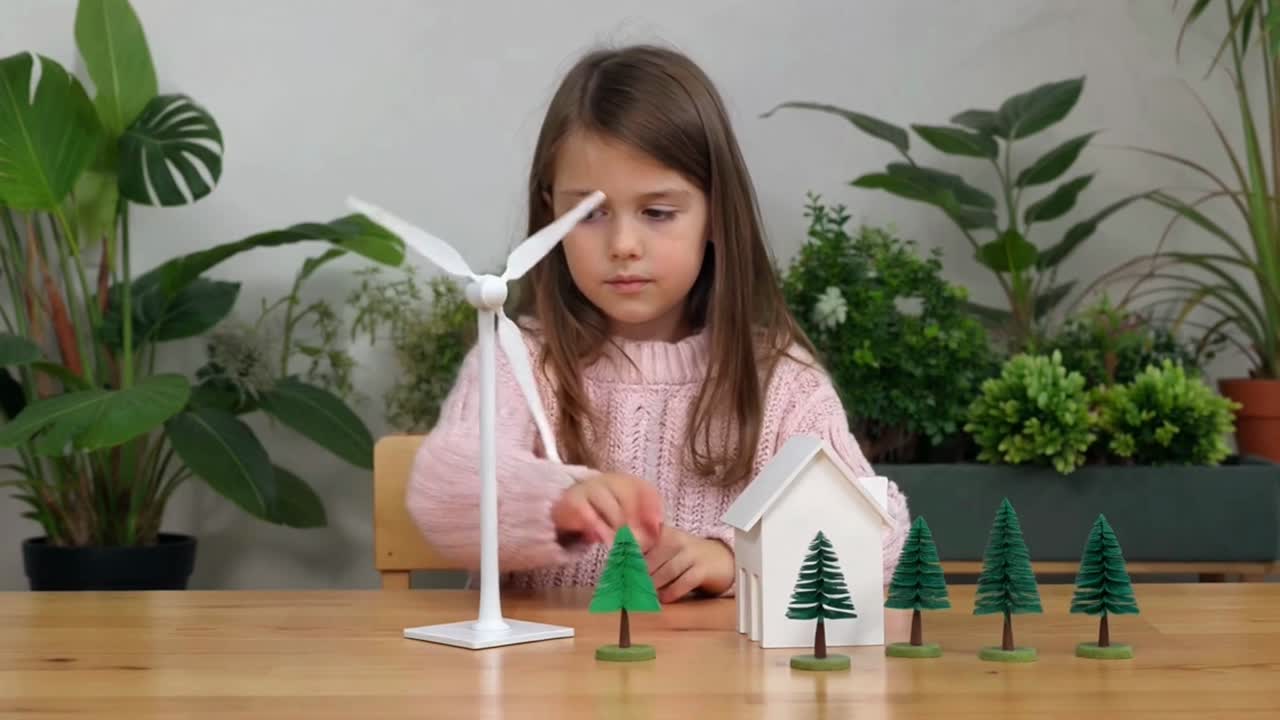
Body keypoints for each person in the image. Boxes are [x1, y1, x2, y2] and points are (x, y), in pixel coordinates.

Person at [406, 43, 910, 603]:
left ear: (716, 214)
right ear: (550, 212)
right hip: (544, 684)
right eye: (589, 213)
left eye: (657, 213)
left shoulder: (781, 383)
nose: (623, 245)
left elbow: (876, 531)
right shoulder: (515, 359)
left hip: (714, 688)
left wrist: (734, 557)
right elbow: (443, 493)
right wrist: (555, 500)